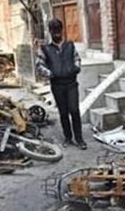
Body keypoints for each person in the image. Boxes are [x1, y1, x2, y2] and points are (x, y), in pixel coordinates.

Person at [35, 19, 87, 150]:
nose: (57, 33)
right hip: (57, 85)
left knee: (74, 110)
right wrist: (50, 74)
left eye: (58, 30)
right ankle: (68, 138)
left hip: (71, 83)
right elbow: (39, 65)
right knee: (63, 112)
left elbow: (77, 59)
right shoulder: (45, 48)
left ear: (61, 30)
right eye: (54, 30)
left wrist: (76, 67)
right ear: (50, 31)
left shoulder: (70, 45)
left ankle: (79, 139)